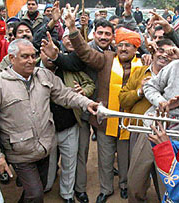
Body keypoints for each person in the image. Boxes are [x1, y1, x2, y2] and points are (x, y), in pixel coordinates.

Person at [0, 39, 98, 203]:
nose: (31, 61)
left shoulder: (44, 75)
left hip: (44, 148)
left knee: (37, 188)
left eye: (33, 56)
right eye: (25, 56)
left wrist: (87, 103)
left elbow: (65, 95)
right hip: (19, 152)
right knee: (35, 194)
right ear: (12, 58)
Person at [41, 19, 115, 203]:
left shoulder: (118, 51)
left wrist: (147, 53)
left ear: (113, 36)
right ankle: (79, 189)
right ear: (93, 33)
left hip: (105, 110)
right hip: (80, 109)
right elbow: (73, 60)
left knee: (105, 152)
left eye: (107, 33)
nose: (104, 37)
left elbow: (140, 50)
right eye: (100, 32)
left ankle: (106, 189)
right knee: (80, 152)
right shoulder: (81, 50)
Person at [119, 39, 179, 202]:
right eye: (161, 50)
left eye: (170, 53)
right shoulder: (140, 72)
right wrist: (141, 91)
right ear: (153, 53)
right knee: (137, 177)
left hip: (169, 135)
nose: (164, 55)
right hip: (140, 130)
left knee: (165, 181)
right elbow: (123, 100)